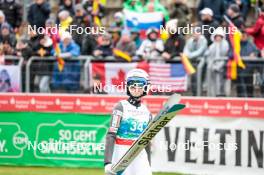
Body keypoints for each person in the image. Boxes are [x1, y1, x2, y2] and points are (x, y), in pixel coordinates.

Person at [104, 68, 152, 175]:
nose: (136, 88)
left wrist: (149, 164)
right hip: (121, 155)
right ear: (127, 86)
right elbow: (111, 135)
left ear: (146, 87)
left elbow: (146, 141)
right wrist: (107, 162)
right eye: (132, 84)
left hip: (140, 157)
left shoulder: (147, 112)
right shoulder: (120, 107)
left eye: (140, 85)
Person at [232, 31, 259, 97]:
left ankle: (250, 100)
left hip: (249, 69)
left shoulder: (251, 44)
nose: (243, 37)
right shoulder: (236, 44)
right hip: (239, 69)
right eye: (242, 36)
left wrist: (254, 54)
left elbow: (257, 51)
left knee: (249, 87)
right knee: (240, 87)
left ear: (247, 36)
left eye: (244, 36)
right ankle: (240, 101)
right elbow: (233, 53)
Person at [183, 27, 208, 96]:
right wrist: (190, 55)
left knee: (200, 79)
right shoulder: (190, 40)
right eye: (193, 33)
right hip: (193, 62)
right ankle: (194, 94)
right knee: (193, 79)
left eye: (196, 33)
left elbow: (200, 52)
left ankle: (200, 94)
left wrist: (190, 55)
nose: (195, 34)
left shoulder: (203, 40)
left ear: (200, 33)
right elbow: (185, 51)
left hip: (202, 63)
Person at [206, 27, 229, 97]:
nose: (218, 38)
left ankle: (220, 94)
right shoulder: (212, 46)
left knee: (221, 82)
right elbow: (209, 57)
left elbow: (225, 57)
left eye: (220, 36)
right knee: (212, 82)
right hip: (212, 67)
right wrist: (211, 66)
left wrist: (219, 66)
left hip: (222, 67)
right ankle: (212, 95)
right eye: (217, 36)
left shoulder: (225, 45)